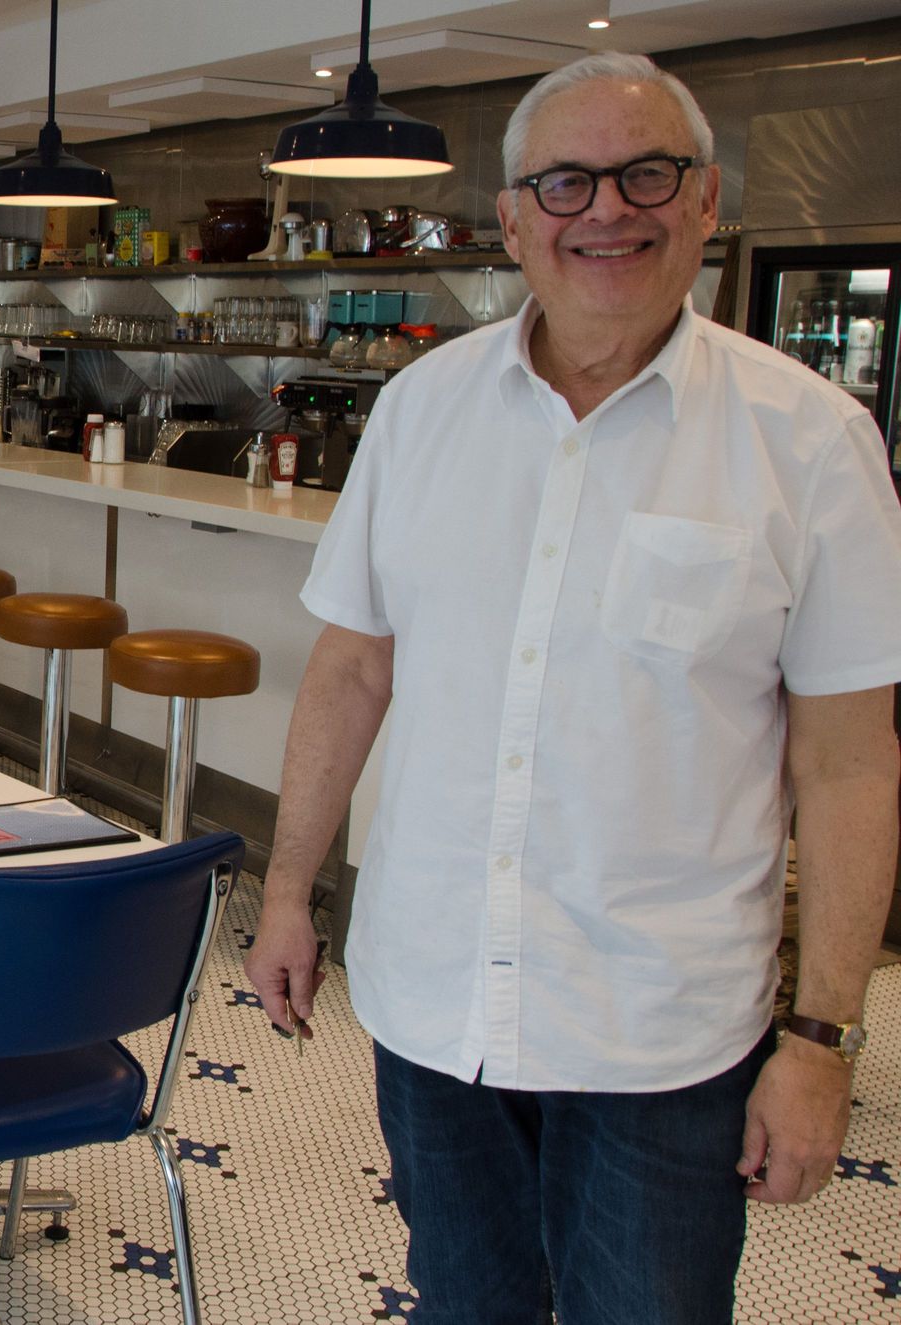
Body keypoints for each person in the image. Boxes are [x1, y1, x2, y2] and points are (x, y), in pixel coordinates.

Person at [245, 51, 901, 1322]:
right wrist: (285, 891)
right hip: (433, 995)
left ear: (703, 201)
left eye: (644, 174)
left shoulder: (809, 440)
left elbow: (848, 760)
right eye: (564, 183)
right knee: (461, 1301)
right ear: (510, 220)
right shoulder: (420, 409)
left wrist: (821, 1037)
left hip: (659, 1029)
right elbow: (351, 667)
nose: (604, 209)